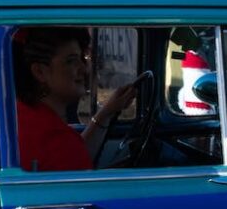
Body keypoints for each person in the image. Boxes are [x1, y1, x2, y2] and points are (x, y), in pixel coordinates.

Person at [13, 26, 137, 172]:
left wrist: (107, 112)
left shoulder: (22, 115)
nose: (83, 69)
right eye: (71, 61)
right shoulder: (57, 141)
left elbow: (77, 152)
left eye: (81, 59)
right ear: (40, 72)